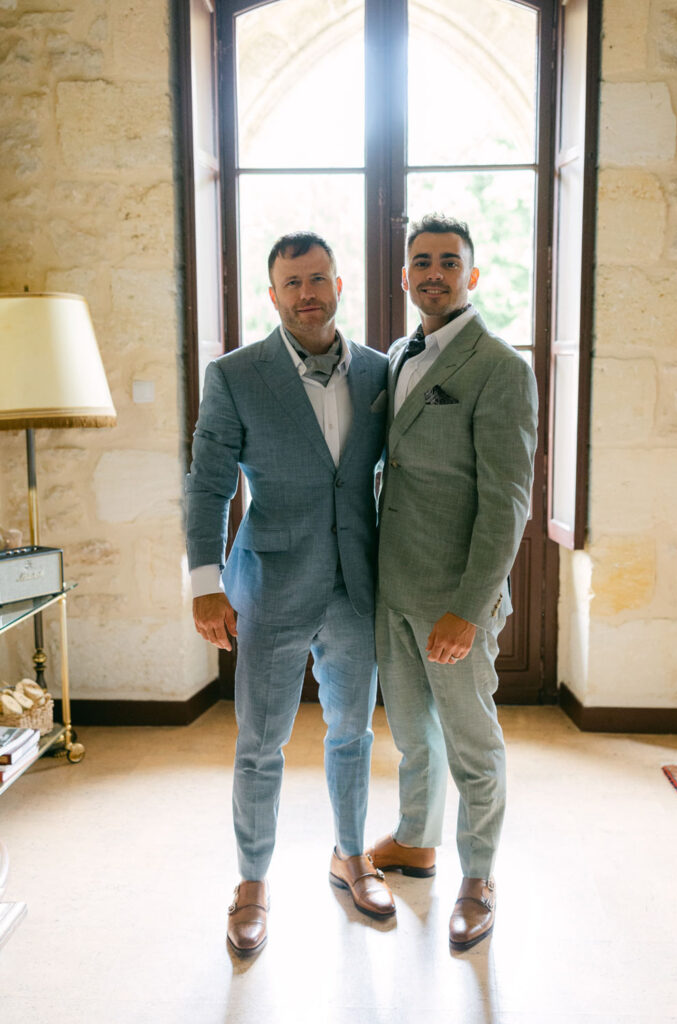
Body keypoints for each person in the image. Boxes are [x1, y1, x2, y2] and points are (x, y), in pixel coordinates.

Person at [186, 231, 394, 957]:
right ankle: (251, 882)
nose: (307, 293)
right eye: (291, 283)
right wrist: (205, 584)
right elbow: (210, 484)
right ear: (271, 296)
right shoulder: (235, 375)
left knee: (353, 733)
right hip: (268, 584)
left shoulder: (379, 372)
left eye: (318, 278)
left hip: (355, 584)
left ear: (339, 285)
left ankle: (350, 856)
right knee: (260, 742)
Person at [367, 214, 538, 951]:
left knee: (470, 740)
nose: (433, 272)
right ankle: (414, 840)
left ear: (473, 274)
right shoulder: (399, 356)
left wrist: (469, 608)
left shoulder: (500, 367)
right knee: (411, 734)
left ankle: (478, 877)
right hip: (391, 585)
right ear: (405, 276)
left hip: (453, 596)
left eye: (449, 261)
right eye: (421, 262)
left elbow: (508, 501)